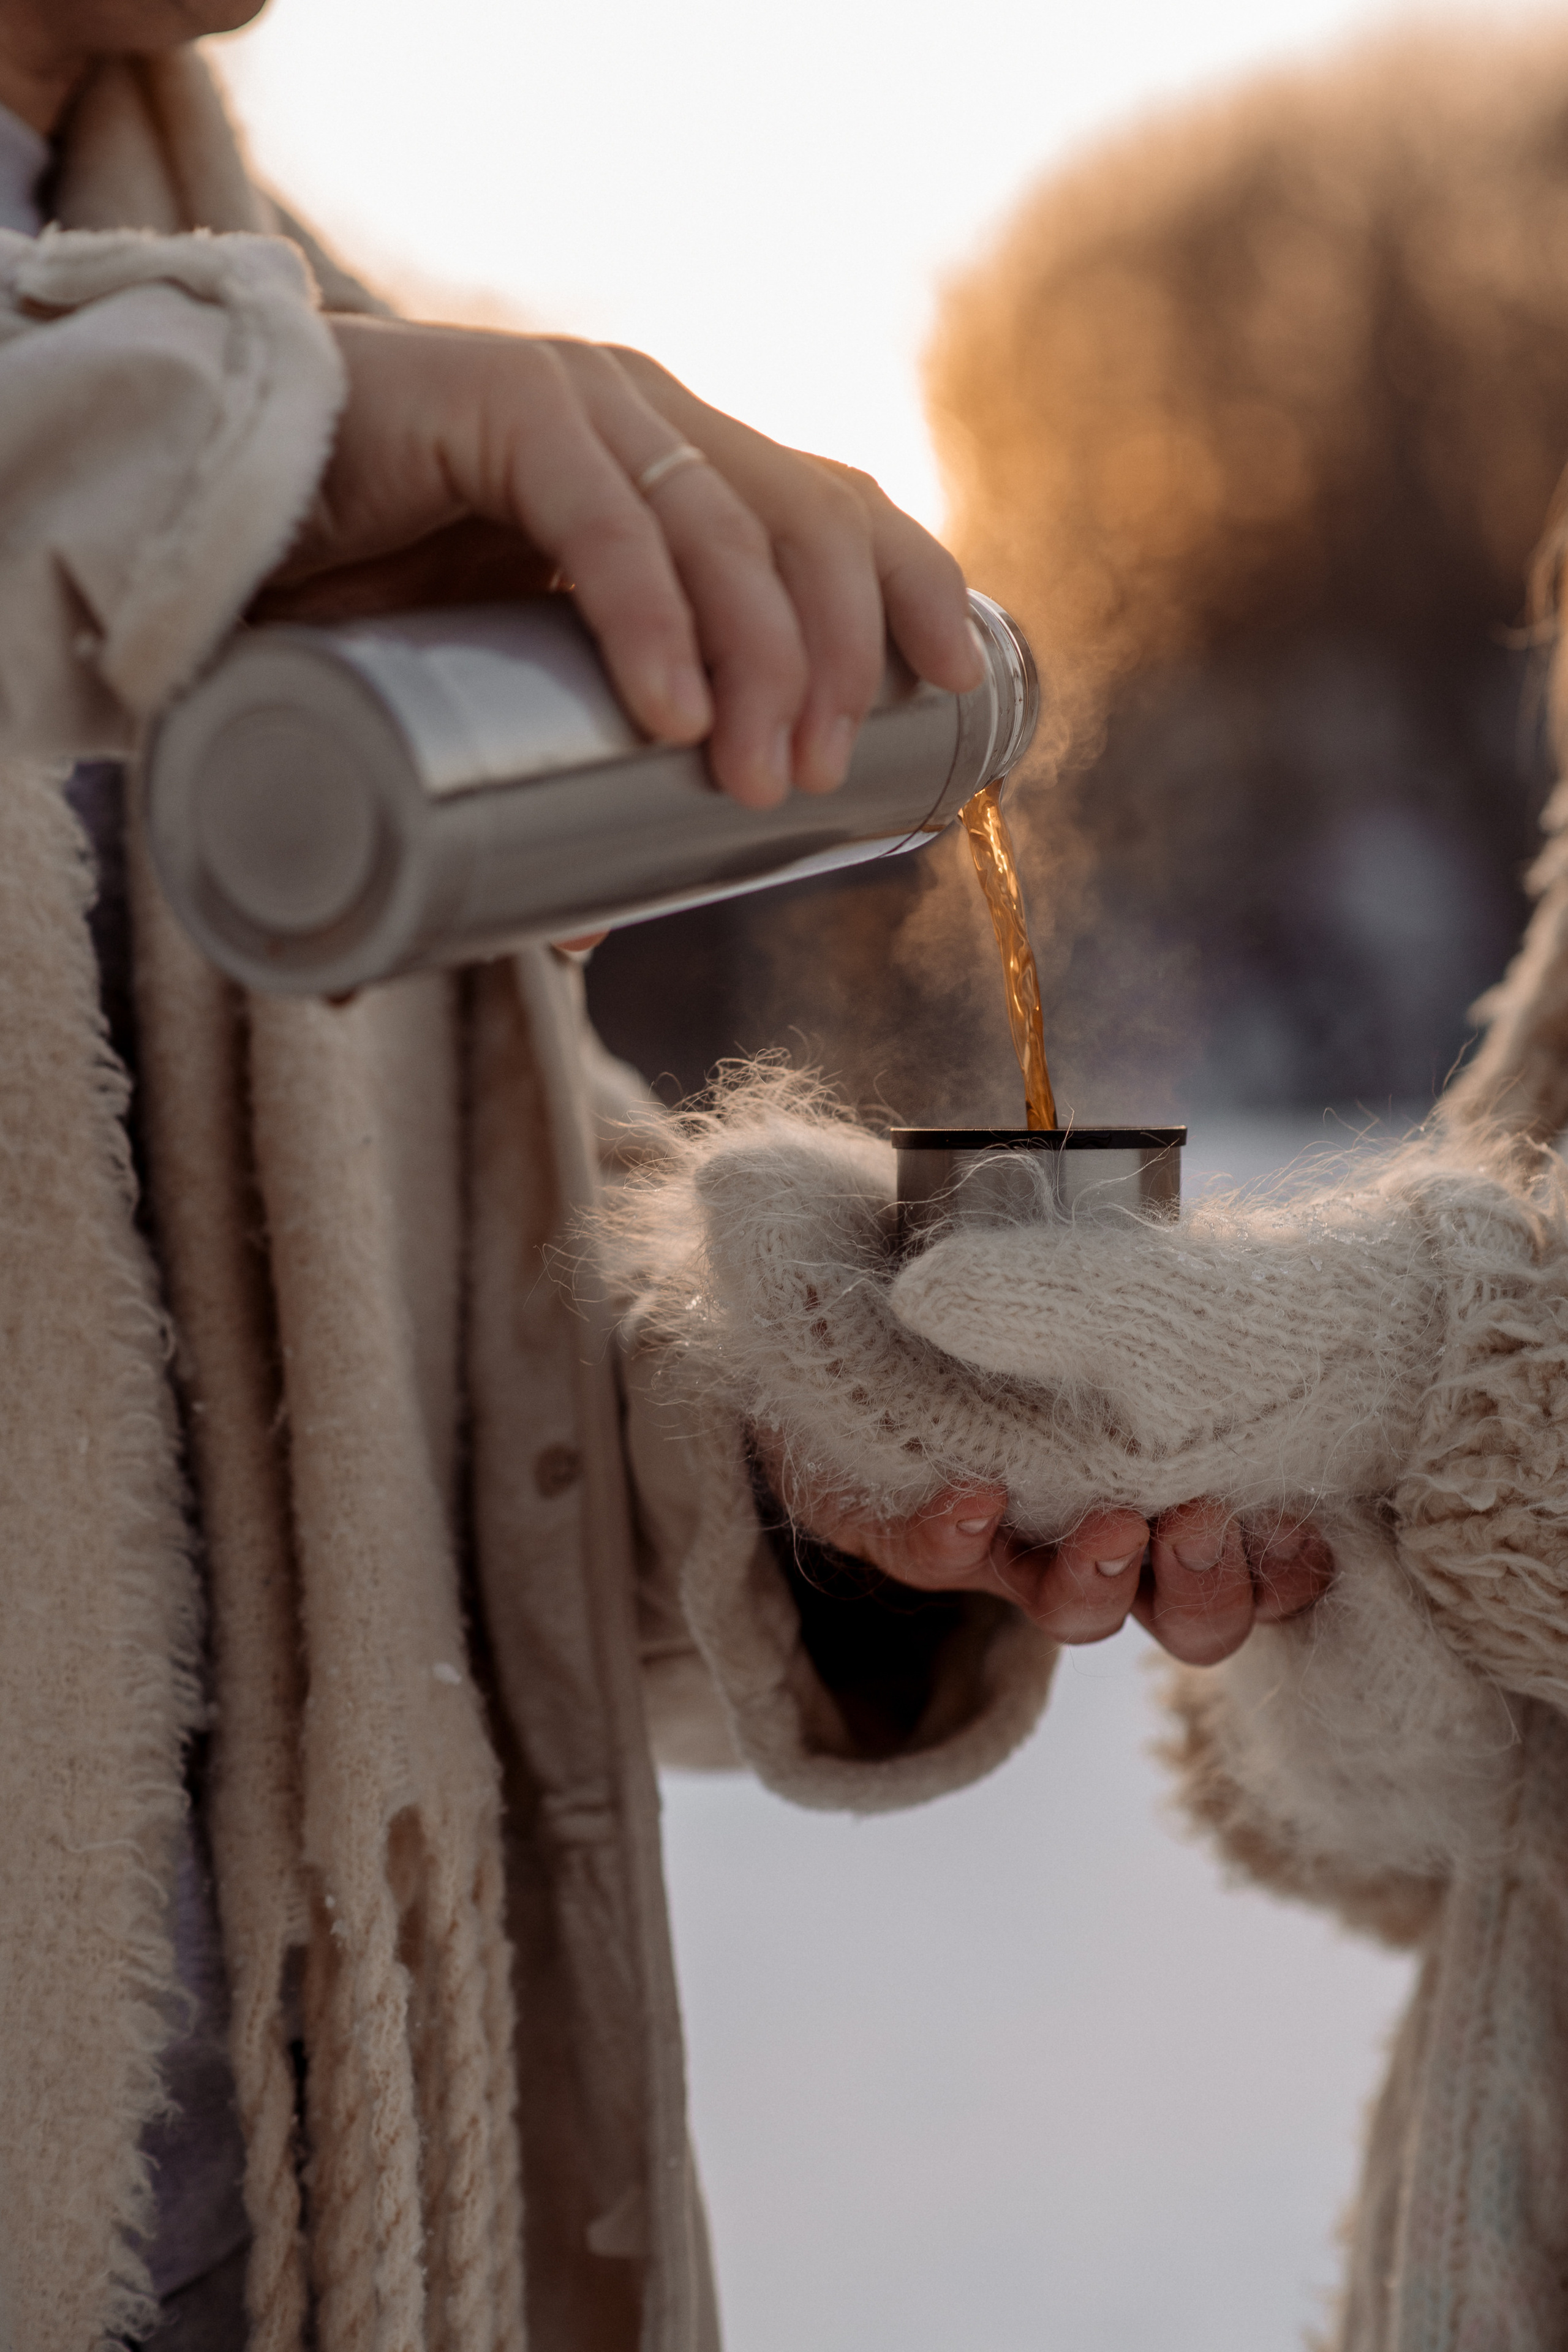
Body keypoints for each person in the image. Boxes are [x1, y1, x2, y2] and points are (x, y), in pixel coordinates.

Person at [0, 9, 1320, 2349]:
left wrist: (822, 1435)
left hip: (307, 2244)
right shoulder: (247, 379)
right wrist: (175, 443)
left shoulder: (228, 272)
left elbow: (356, 1394)